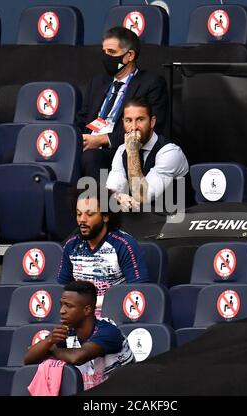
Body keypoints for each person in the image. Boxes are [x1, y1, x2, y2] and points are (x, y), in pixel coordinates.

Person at [76, 26, 168, 180]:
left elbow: (151, 129)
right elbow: (81, 119)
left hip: (122, 149)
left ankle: (98, 204)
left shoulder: (151, 83)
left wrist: (103, 139)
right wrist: (78, 138)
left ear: (130, 55)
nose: (106, 58)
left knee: (91, 157)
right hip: (88, 143)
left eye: (112, 53)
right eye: (104, 52)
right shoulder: (97, 83)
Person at [24, 281, 134, 391]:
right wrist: (49, 341)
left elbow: (77, 357)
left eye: (68, 306)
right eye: (61, 305)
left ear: (87, 310)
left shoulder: (109, 331)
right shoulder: (67, 330)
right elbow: (28, 359)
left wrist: (51, 350)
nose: (62, 311)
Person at [57, 190, 150, 315]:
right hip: (80, 319)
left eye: (89, 214)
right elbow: (60, 289)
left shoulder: (124, 245)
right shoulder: (71, 246)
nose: (82, 220)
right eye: (79, 214)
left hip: (116, 317)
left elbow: (139, 292)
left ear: (105, 216)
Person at [106, 97, 189, 211]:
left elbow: (142, 196)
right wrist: (118, 196)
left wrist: (133, 151)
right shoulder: (121, 150)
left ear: (152, 122)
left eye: (140, 119)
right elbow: (110, 191)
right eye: (128, 120)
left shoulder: (170, 152)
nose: (134, 127)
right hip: (141, 221)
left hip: (174, 220)